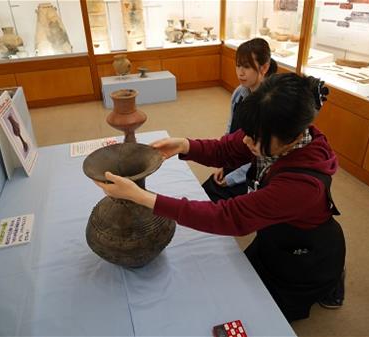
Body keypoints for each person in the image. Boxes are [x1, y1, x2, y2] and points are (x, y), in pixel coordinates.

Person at [94, 73, 346, 322]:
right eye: (248, 132)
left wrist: (143, 198)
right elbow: (227, 149)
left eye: (254, 138)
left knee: (261, 313)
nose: (246, 140)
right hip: (273, 235)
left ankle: (330, 282)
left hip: (305, 255)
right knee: (241, 283)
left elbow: (228, 216)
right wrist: (185, 145)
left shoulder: (302, 185)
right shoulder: (270, 129)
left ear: (290, 138)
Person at [202, 38, 277, 202]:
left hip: (258, 171)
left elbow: (267, 159)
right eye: (238, 65)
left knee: (215, 201)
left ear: (264, 67)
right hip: (237, 157)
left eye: (247, 66)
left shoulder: (271, 103)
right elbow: (230, 130)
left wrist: (232, 177)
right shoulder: (239, 92)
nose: (240, 72)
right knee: (205, 191)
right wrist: (223, 162)